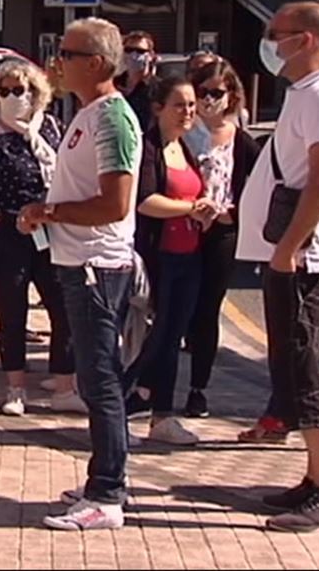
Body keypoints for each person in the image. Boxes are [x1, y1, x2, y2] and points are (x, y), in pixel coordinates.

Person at [235, 1, 319, 533]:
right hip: (294, 252)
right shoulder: (307, 95)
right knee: (291, 363)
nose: (267, 43)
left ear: (305, 39)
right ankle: (315, 478)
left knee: (304, 367)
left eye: (274, 34)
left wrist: (290, 244)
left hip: (308, 256)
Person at [17, 17, 142, 531]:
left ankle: (107, 493)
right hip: (77, 260)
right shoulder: (89, 114)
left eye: (66, 54)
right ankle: (106, 477)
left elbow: (115, 203)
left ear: (95, 63)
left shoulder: (113, 118)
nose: (57, 63)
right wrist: (47, 209)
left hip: (97, 263)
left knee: (100, 377)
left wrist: (52, 214)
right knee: (95, 374)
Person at [0, 59, 80, 417]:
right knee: (12, 310)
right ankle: (15, 387)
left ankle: (64, 384)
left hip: (53, 229)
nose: (13, 96)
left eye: (20, 90)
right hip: (9, 232)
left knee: (63, 305)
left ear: (36, 93)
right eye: (5, 90)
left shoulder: (52, 131)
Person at [123, 77, 216, 446]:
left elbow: (195, 193)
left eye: (192, 105)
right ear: (158, 108)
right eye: (179, 105)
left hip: (189, 255)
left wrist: (205, 211)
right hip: (158, 255)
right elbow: (145, 201)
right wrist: (191, 208)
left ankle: (162, 414)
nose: (188, 112)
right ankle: (124, 398)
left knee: (174, 335)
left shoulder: (186, 148)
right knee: (154, 336)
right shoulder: (147, 148)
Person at [180, 59, 261, 419]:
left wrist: (232, 213)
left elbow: (258, 192)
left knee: (207, 309)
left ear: (232, 96)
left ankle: (198, 388)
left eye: (217, 93)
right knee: (172, 308)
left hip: (222, 233)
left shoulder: (243, 143)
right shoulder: (180, 134)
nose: (209, 100)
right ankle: (151, 384)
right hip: (180, 229)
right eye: (202, 92)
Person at [118, 30, 159, 133]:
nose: (133, 55)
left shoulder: (158, 88)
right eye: (129, 50)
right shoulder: (113, 84)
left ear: (150, 55)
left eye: (140, 51)